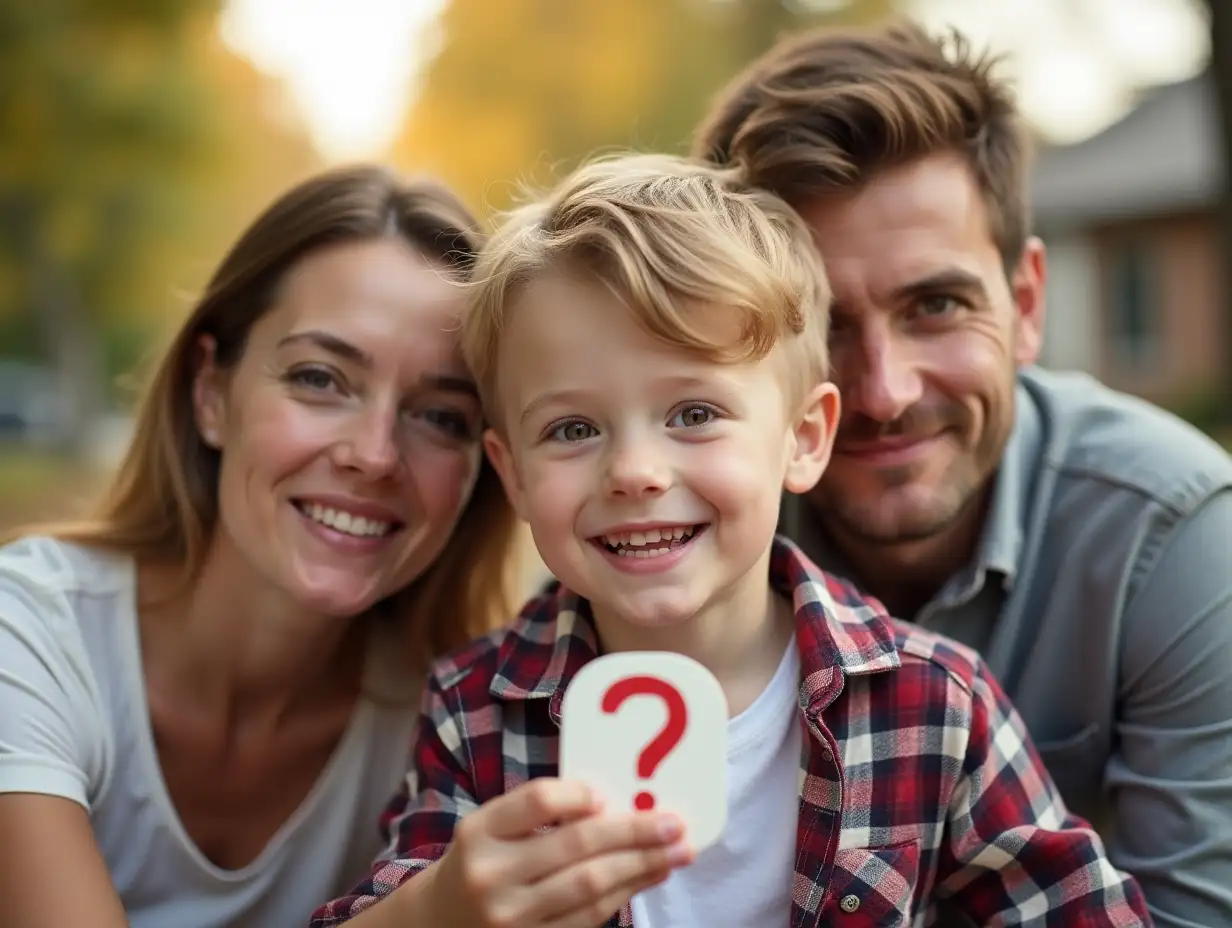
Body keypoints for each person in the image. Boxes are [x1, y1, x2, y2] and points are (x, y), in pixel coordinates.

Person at [309, 153, 1150, 927]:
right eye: (572, 428)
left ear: (804, 436)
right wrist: (437, 910)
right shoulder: (476, 710)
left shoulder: (935, 706)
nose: (635, 470)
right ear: (515, 473)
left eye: (695, 414)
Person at [691, 17, 1232, 927]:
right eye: (821, 325)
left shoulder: (1174, 536)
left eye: (935, 305)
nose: (883, 391)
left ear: (1025, 304)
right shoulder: (674, 525)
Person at [0, 164, 523, 928]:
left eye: (440, 417)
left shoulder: (449, 728)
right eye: (321, 378)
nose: (374, 455)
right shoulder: (30, 639)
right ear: (211, 393)